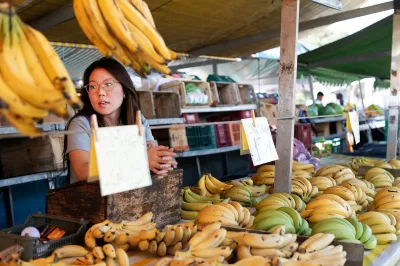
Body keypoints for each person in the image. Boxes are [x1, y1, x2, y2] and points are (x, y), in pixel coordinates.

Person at [63, 57, 177, 183]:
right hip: (91, 200)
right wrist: (141, 159)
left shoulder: (138, 119)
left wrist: (161, 162)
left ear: (124, 89)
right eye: (93, 86)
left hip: (129, 197)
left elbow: (152, 155)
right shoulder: (81, 124)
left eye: (108, 84)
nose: (100, 92)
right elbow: (82, 172)